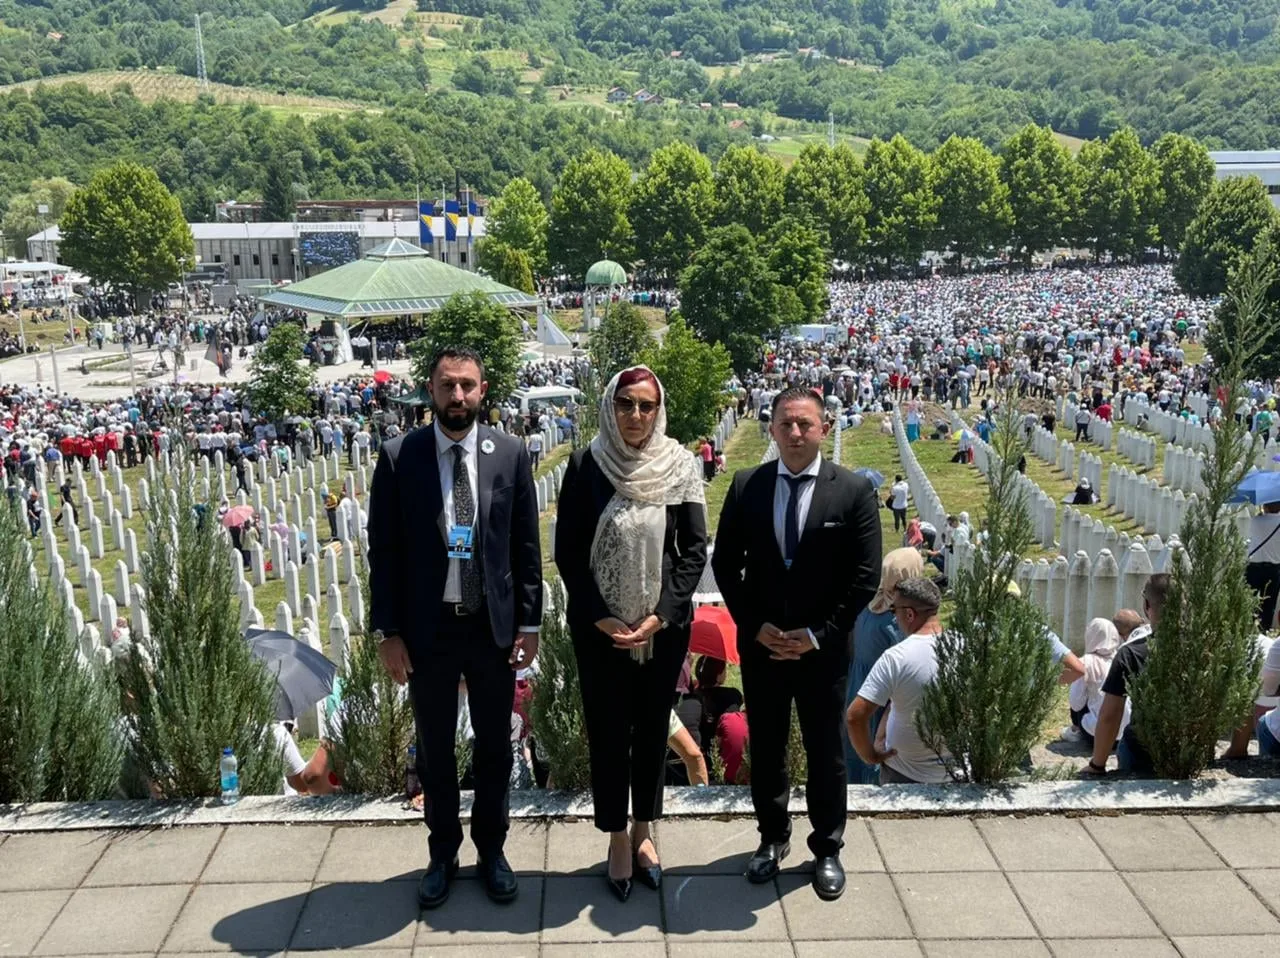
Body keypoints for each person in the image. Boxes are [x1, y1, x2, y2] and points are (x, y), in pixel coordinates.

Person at [367, 345, 543, 910]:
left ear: (483, 390)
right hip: (429, 631)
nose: (458, 395)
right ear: (431, 390)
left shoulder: (509, 453)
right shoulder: (400, 456)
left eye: (467, 384)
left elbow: (525, 546)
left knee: (495, 747)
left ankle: (492, 850)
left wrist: (530, 623)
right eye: (447, 385)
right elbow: (383, 551)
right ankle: (442, 853)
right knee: (436, 751)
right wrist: (388, 632)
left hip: (491, 630)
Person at [711, 385, 882, 901]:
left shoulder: (852, 491)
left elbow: (865, 577)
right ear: (772, 428)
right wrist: (754, 623)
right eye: (785, 423)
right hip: (764, 647)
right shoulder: (748, 485)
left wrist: (816, 635)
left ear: (823, 428)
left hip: (821, 652)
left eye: (805, 423)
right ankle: (772, 836)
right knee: (767, 746)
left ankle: (827, 847)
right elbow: (726, 564)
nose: (795, 432)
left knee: (825, 749)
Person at [554, 366, 708, 902]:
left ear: (658, 410)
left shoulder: (680, 465)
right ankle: (617, 836)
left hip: (661, 631)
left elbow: (693, 551)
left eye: (646, 405)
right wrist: (601, 615)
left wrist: (660, 614)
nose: (636, 415)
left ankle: (644, 830)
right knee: (608, 731)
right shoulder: (587, 465)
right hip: (600, 630)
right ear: (610, 406)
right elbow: (568, 551)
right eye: (626, 404)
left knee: (651, 729)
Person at [846, 576, 950, 785]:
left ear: (909, 614)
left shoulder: (896, 658)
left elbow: (855, 716)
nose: (894, 616)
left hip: (904, 774)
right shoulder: (966, 647)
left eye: (894, 610)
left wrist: (870, 757)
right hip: (957, 773)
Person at [845, 548, 923, 784]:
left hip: (856, 686)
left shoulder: (869, 605)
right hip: (882, 697)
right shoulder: (895, 618)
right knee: (877, 751)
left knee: (855, 750)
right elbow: (906, 660)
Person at [1085, 574, 1169, 776]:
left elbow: (1110, 715)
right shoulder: (1207, 649)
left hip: (1142, 753)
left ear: (1146, 605)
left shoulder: (1131, 653)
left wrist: (1097, 765)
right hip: (1193, 750)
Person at [1063, 617, 1127, 748]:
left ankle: (1076, 730)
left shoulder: (1086, 662)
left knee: (1080, 692)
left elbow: (1076, 703)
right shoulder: (1123, 657)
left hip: (1096, 736)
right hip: (1124, 735)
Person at [1246, 500, 1280, 631]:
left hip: (1254, 566)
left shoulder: (1256, 521)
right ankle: (1263, 630)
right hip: (1274, 568)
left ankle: (1246, 629)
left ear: (1265, 505)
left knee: (1249, 601)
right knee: (1268, 605)